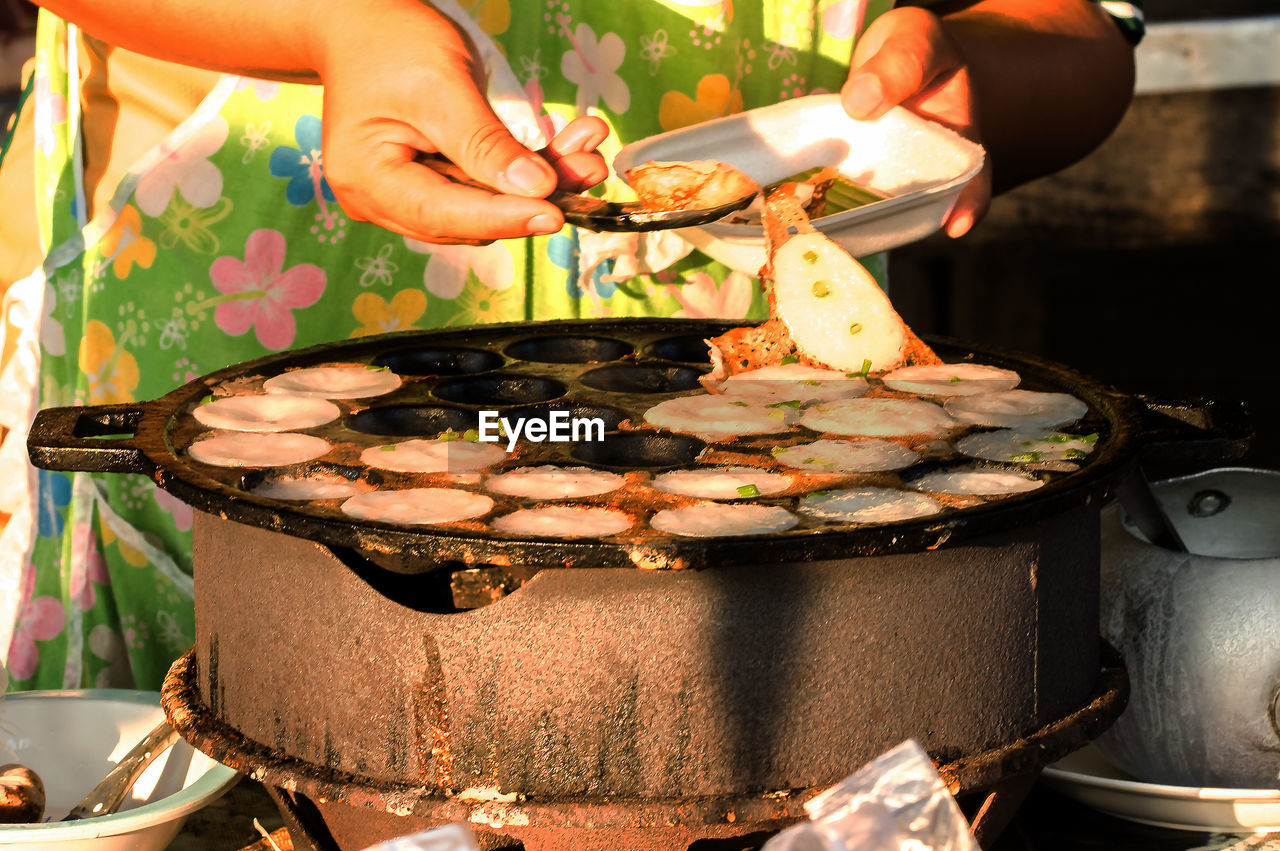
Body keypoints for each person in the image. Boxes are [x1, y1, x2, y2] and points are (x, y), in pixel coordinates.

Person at [0, 0, 1137, 691]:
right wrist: (324, 26)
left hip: (757, 399)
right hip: (259, 345)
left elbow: (1084, 35)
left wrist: (977, 78)